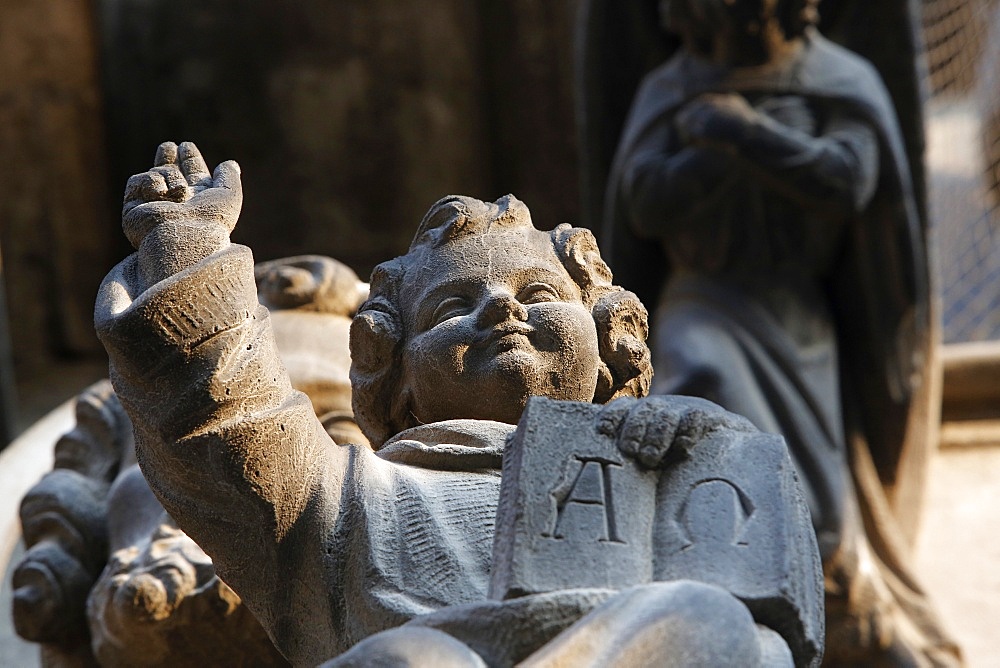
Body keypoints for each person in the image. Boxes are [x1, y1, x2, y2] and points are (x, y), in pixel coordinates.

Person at [95, 142, 819, 666]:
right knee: (405, 661)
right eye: (453, 307)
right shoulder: (344, 500)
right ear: (396, 374)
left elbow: (769, 613)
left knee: (706, 621)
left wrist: (702, 445)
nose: (502, 310)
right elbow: (224, 425)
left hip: (643, 648)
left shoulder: (666, 465)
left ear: (606, 344)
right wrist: (182, 247)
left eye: (538, 295)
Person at [601, 0, 960, 663]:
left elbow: (851, 180)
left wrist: (741, 136)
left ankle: (837, 617)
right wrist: (714, 160)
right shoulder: (670, 89)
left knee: (817, 507)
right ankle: (710, 600)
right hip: (703, 301)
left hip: (798, 319)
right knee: (697, 383)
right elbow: (643, 201)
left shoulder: (838, 79)